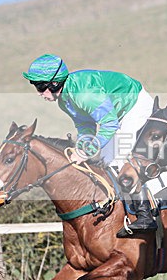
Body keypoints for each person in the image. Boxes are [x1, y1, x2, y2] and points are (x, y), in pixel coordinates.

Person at [23, 53, 158, 236]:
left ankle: (145, 216)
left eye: (40, 86)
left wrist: (86, 152)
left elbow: (109, 123)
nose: (39, 93)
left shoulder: (84, 95)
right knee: (105, 159)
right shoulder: (64, 101)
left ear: (54, 83)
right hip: (115, 113)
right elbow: (85, 125)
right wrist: (82, 147)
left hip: (133, 106)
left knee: (120, 160)